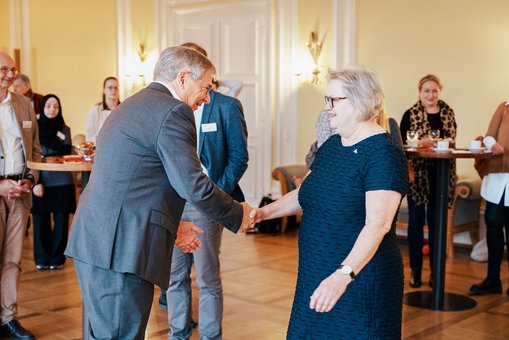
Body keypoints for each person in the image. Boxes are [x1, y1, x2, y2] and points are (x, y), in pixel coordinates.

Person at [64, 46, 253, 339]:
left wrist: (173, 224)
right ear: (182, 79)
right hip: (121, 248)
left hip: (98, 241)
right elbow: (193, 184)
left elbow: (136, 181)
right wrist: (239, 214)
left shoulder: (134, 103)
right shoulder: (174, 110)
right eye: (204, 87)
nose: (206, 97)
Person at [251, 65, 408, 339]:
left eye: (333, 100)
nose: (327, 108)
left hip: (359, 278)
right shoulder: (333, 146)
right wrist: (262, 213)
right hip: (316, 270)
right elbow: (306, 194)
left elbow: (378, 225)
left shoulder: (383, 155)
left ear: (360, 100)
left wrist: (343, 275)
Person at [161, 42, 248, 340]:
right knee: (174, 277)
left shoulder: (224, 105)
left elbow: (239, 157)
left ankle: (211, 336)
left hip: (207, 204)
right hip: (172, 203)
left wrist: (215, 197)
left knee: (208, 277)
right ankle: (178, 333)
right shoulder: (169, 107)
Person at [400, 74, 457, 288]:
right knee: (415, 223)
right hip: (418, 177)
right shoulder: (410, 114)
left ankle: (435, 271)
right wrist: (420, 142)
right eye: (427, 91)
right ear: (420, 92)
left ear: (439, 92)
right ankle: (415, 270)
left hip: (441, 176)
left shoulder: (447, 112)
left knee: (436, 224)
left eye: (434, 90)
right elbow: (403, 145)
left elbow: (451, 139)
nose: (431, 95)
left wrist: (435, 142)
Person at [0, 52, 41, 340]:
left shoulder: (25, 105)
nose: (10, 75)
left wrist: (29, 179)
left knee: (13, 260)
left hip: (20, 192)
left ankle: (8, 318)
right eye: (4, 69)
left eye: (13, 70)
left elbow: (35, 150)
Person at [31, 94, 76, 270]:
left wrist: (50, 153)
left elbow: (66, 151)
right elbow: (35, 155)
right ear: (42, 108)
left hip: (62, 181)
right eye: (48, 106)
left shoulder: (65, 128)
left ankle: (57, 258)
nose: (52, 109)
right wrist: (36, 182)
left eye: (56, 106)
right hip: (41, 181)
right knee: (40, 221)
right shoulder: (35, 128)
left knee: (61, 223)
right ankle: (42, 258)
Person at [469, 101, 509, 295]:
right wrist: (493, 145)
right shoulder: (504, 107)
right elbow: (488, 137)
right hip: (496, 174)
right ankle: (493, 280)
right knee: (492, 221)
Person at [85, 76, 121, 143]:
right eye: (110, 87)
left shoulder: (124, 110)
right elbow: (89, 137)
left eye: (116, 88)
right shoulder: (95, 111)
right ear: (104, 90)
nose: (114, 90)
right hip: (99, 149)